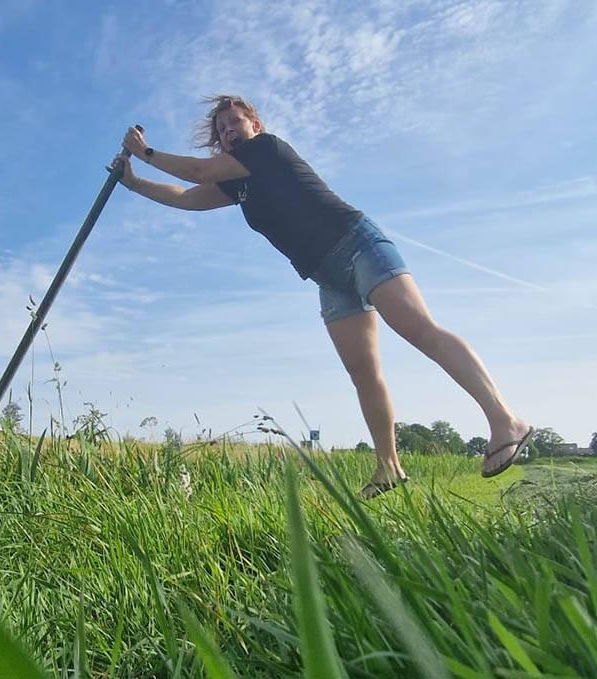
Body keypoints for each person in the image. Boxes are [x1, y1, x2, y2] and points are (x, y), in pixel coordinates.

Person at [109, 95, 535, 498]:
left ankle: (505, 420)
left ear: (254, 124)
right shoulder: (237, 185)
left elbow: (199, 173)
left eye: (235, 122)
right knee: (363, 373)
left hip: (358, 246)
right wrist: (133, 183)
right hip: (328, 276)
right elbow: (187, 196)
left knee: (418, 329)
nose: (229, 131)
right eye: (222, 129)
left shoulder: (266, 151)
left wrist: (147, 153)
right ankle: (388, 465)